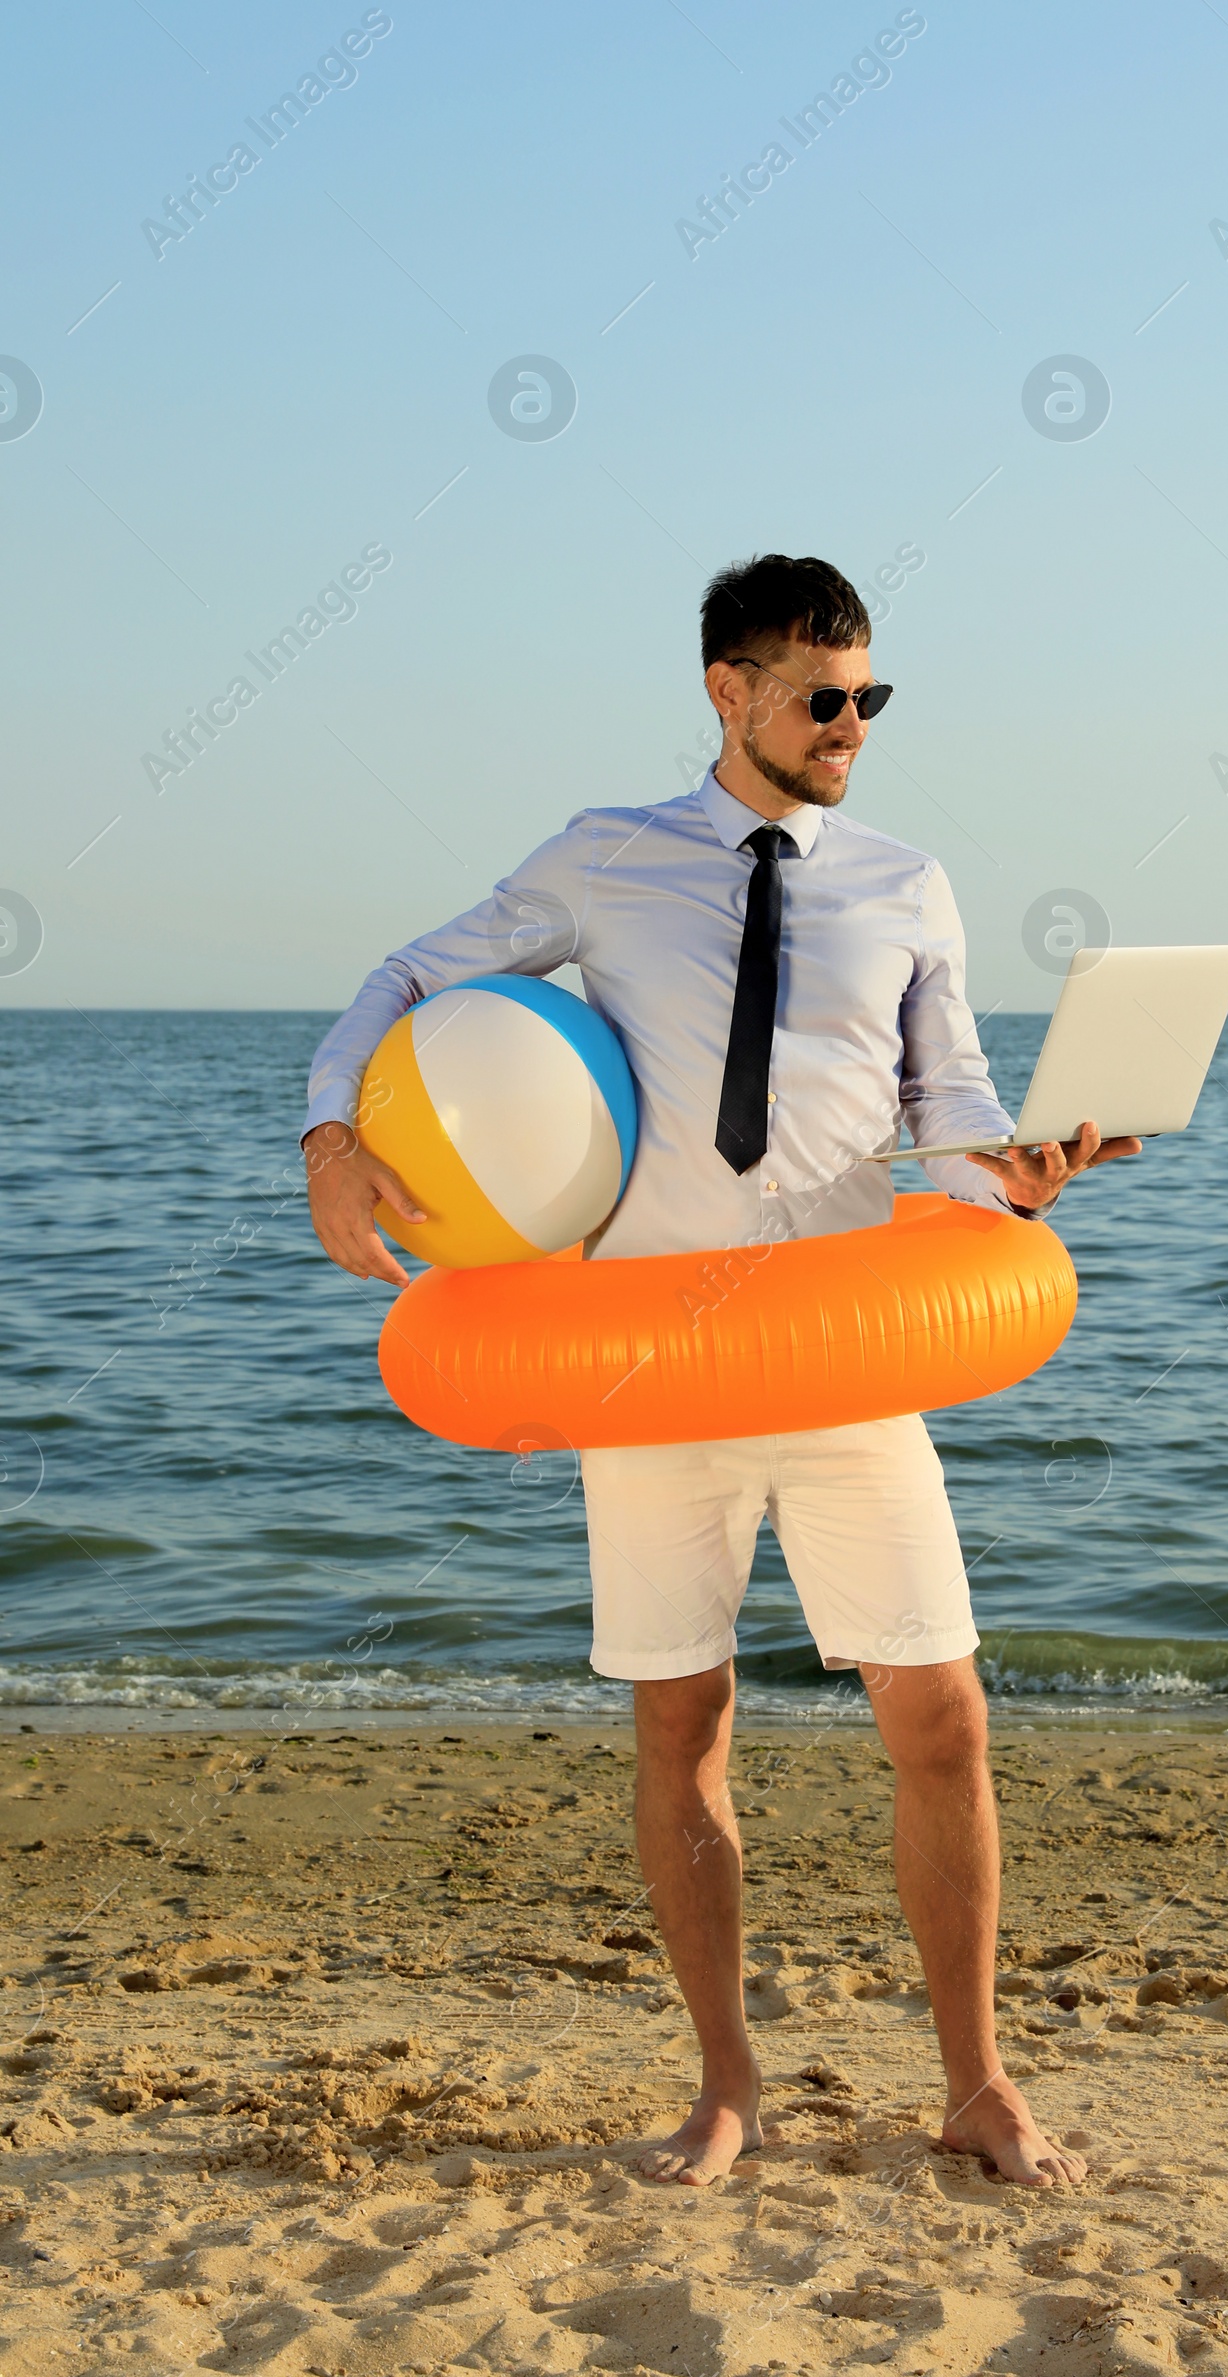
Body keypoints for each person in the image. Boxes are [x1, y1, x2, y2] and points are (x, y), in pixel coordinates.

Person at [303, 553, 1139, 2187]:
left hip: (840, 1358)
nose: (850, 727)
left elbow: (949, 1116)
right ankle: (726, 2086)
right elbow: (410, 973)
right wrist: (336, 1134)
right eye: (822, 698)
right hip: (655, 1373)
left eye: (868, 699)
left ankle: (974, 2082)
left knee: (944, 1718)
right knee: (684, 1723)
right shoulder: (608, 859)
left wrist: (1018, 1177)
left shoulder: (906, 883)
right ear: (729, 692)